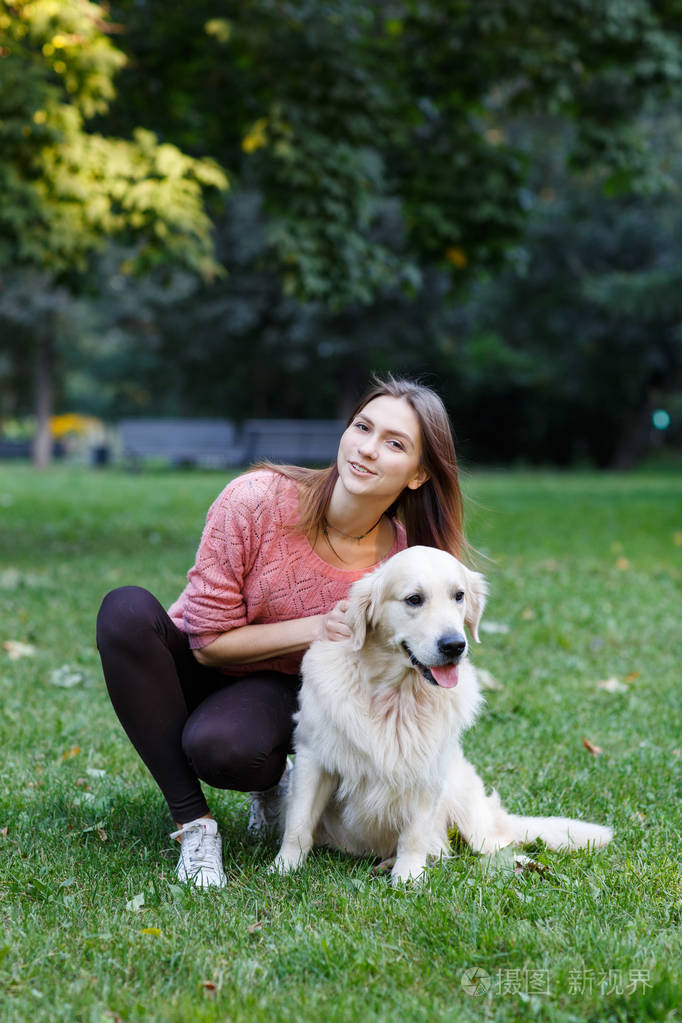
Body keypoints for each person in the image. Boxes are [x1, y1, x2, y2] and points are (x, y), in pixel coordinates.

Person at [96, 375, 466, 888]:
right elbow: (205, 642)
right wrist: (317, 625)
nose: (367, 450)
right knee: (125, 612)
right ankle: (195, 826)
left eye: (394, 444)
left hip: (275, 690)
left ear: (419, 475)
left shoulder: (403, 568)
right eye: (362, 427)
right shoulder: (256, 498)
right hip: (196, 663)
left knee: (227, 748)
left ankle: (274, 787)